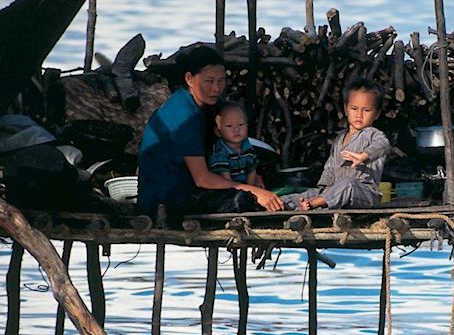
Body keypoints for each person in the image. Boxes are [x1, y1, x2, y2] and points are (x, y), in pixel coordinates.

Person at [137, 46, 283, 219]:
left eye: (221, 81)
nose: (216, 88)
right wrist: (255, 192)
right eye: (209, 81)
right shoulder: (184, 116)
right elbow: (202, 179)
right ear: (189, 78)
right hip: (164, 202)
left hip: (181, 193)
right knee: (243, 200)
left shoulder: (194, 104)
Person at [282, 77, 391, 210]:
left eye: (366, 110)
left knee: (348, 184)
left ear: (377, 113)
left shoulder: (373, 134)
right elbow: (330, 166)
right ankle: (280, 204)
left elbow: (383, 144)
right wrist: (325, 186)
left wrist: (364, 156)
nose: (359, 115)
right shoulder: (339, 138)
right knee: (307, 194)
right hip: (334, 192)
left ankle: (313, 204)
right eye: (354, 109)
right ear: (346, 109)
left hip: (364, 194)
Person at [208, 101, 264, 187]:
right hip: (227, 188)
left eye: (241, 124)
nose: (236, 129)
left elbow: (251, 169)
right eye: (229, 126)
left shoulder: (247, 146)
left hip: (245, 187)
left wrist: (252, 189)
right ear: (218, 131)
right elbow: (226, 180)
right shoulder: (221, 152)